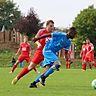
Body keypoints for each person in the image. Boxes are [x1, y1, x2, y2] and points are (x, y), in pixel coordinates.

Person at [11, 20, 54, 85]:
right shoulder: (41, 31)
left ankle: (40, 80)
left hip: (48, 53)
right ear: (47, 26)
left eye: (53, 26)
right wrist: (38, 44)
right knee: (30, 67)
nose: (52, 27)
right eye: (51, 26)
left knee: (51, 67)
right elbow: (35, 40)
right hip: (40, 52)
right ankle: (17, 78)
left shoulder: (53, 34)